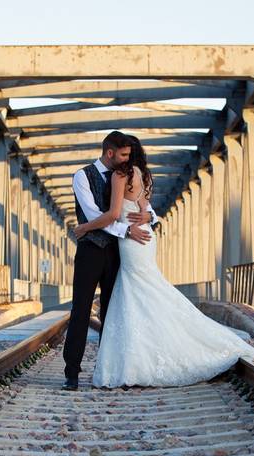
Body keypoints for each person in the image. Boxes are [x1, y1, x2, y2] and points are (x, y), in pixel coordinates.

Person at [72, 134, 254, 388]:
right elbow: (139, 211)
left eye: (127, 154)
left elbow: (114, 214)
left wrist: (85, 228)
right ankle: (89, 369)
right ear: (112, 152)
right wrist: (147, 219)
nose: (124, 157)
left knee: (134, 298)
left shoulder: (121, 175)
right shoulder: (125, 174)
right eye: (122, 153)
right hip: (130, 241)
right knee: (137, 297)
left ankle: (132, 363)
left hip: (129, 241)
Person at [61, 131, 157, 390]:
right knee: (80, 310)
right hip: (91, 251)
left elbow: (144, 207)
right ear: (110, 153)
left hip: (118, 252)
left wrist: (150, 218)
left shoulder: (126, 173)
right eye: (124, 154)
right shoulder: (83, 176)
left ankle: (108, 370)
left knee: (111, 312)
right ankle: (72, 372)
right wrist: (125, 230)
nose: (129, 158)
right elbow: (93, 214)